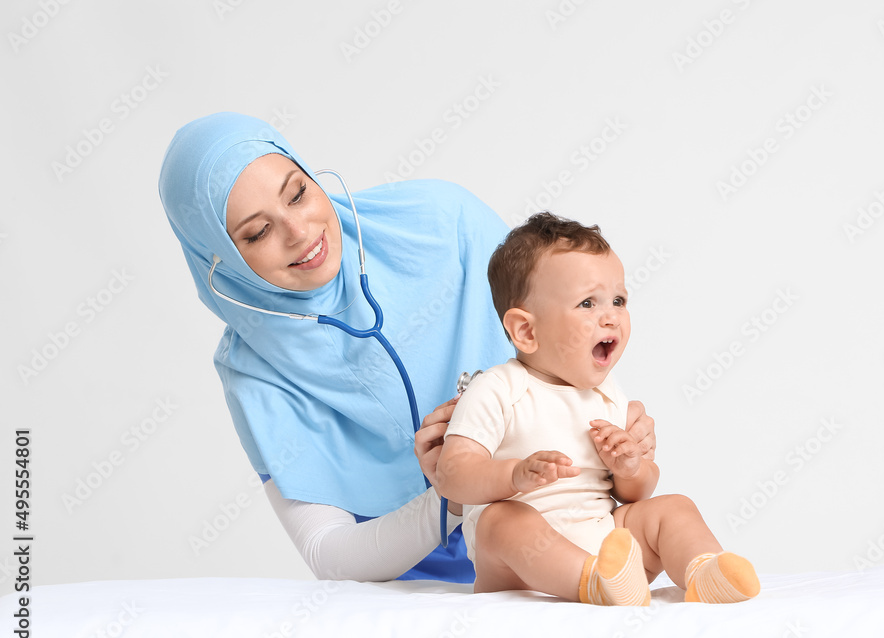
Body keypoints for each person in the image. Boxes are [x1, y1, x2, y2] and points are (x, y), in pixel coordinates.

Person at [157, 113, 657, 583]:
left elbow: (568, 326)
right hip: (419, 592)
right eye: (258, 231)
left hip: (575, 535)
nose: (300, 231)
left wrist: (620, 437)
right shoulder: (253, 372)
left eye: (298, 194)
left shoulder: (442, 222)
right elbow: (329, 555)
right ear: (219, 261)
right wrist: (452, 496)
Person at [436, 212, 761, 604]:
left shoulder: (609, 394)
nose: (611, 316)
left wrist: (631, 467)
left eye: (619, 300)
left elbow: (636, 494)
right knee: (499, 521)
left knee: (674, 507)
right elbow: (453, 475)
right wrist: (515, 475)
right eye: (588, 303)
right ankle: (594, 583)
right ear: (526, 331)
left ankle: (702, 570)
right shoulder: (499, 388)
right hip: (522, 566)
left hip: (608, 548)